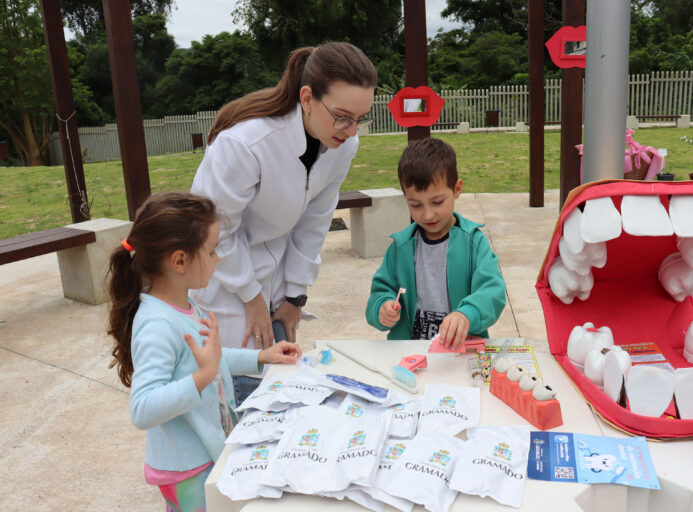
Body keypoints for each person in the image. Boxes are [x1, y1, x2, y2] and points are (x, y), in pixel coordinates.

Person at [190, 41, 377, 405]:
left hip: (274, 285)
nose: (351, 130)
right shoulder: (245, 144)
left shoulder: (342, 145)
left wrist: (295, 296)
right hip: (224, 284)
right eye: (342, 117)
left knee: (277, 396)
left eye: (360, 119)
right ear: (307, 98)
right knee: (239, 397)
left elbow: (315, 221)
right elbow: (216, 232)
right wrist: (251, 296)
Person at [107, 192, 301, 511]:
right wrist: (202, 377)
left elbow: (208, 358)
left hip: (207, 452)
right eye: (211, 251)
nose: (218, 259)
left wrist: (260, 357)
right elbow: (141, 409)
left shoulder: (183, 304)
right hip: (187, 470)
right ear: (180, 261)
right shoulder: (157, 324)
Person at [365, 138, 507, 348]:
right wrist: (382, 308)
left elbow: (492, 292)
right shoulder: (400, 247)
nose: (428, 214)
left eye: (437, 202)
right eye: (415, 205)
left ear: (457, 189)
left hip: (462, 351)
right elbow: (380, 291)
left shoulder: (473, 243)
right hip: (411, 353)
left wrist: (466, 314)